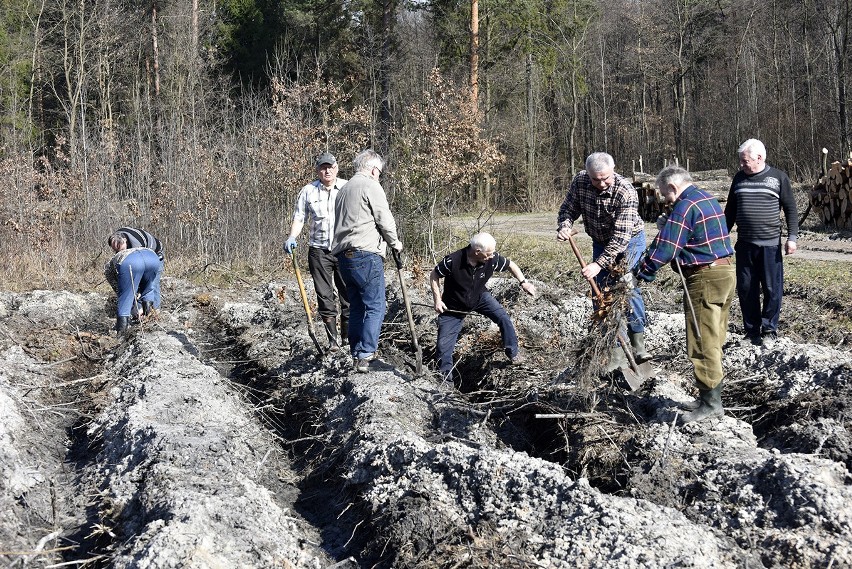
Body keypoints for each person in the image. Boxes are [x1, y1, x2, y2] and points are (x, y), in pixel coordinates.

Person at [635, 166, 735, 424]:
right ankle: (707, 398)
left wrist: (640, 273)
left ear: (672, 187)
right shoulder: (707, 199)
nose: (666, 200)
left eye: (664, 194)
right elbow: (688, 236)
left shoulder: (685, 205)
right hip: (724, 273)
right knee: (714, 337)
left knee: (702, 341)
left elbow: (667, 247)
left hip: (704, 278)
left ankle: (712, 405)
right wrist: (669, 225)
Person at [556, 152, 649, 370]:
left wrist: (598, 264)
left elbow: (621, 237)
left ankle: (638, 343)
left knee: (627, 286)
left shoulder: (625, 191)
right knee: (603, 293)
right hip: (599, 240)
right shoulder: (580, 181)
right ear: (588, 174)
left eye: (605, 178)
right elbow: (568, 209)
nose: (601, 183)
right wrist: (565, 226)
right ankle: (616, 351)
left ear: (613, 170)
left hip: (630, 241)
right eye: (595, 179)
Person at [430, 232, 536, 382]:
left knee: (503, 318)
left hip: (479, 297)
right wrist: (437, 300)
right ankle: (445, 382)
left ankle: (513, 353)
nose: (492, 256)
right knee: (443, 347)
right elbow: (434, 275)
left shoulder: (491, 259)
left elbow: (511, 265)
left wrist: (523, 282)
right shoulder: (452, 261)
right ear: (477, 252)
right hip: (453, 306)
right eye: (489, 253)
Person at [331, 149, 402, 373]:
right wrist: (395, 243)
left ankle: (356, 353)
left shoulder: (343, 190)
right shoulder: (371, 185)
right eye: (379, 172)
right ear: (373, 169)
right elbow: (384, 219)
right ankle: (366, 354)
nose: (379, 175)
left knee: (357, 306)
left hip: (344, 257)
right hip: (365, 254)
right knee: (375, 305)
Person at [724, 139, 798, 346]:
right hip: (745, 244)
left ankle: (769, 330)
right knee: (747, 289)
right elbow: (730, 211)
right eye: (740, 160)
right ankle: (751, 332)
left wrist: (792, 238)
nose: (741, 164)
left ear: (759, 158)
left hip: (770, 245)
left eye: (744, 160)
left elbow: (791, 209)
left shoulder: (778, 178)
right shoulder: (738, 179)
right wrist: (720, 238)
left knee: (772, 289)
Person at [284, 152, 350, 351]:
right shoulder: (308, 191)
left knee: (348, 295)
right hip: (319, 251)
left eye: (330, 167)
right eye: (323, 167)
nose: (327, 170)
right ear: (317, 170)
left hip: (344, 250)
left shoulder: (347, 188)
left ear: (337, 168)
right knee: (324, 295)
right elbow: (299, 217)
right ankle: (333, 341)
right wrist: (292, 236)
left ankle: (347, 339)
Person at [104, 230, 164, 333]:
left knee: (125, 299)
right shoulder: (120, 239)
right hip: (152, 258)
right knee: (148, 289)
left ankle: (121, 335)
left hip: (156, 253)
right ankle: (146, 317)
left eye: (120, 249)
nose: (118, 252)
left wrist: (133, 301)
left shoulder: (109, 268)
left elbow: (122, 290)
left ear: (125, 241)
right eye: (116, 251)